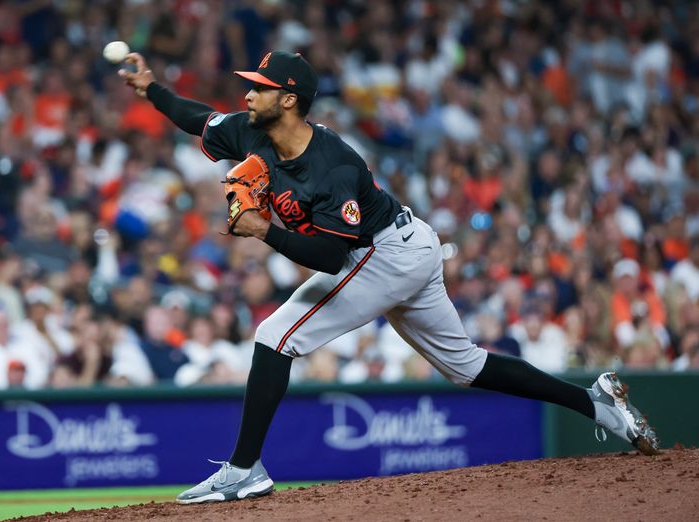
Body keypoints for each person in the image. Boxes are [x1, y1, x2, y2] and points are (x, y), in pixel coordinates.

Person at [118, 50, 659, 504]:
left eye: (259, 88)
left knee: (274, 336)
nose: (247, 95)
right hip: (400, 246)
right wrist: (150, 88)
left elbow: (330, 258)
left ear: (289, 100)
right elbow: (198, 118)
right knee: (467, 367)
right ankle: (598, 404)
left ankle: (244, 471)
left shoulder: (334, 166)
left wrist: (264, 231)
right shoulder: (251, 131)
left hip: (386, 253)